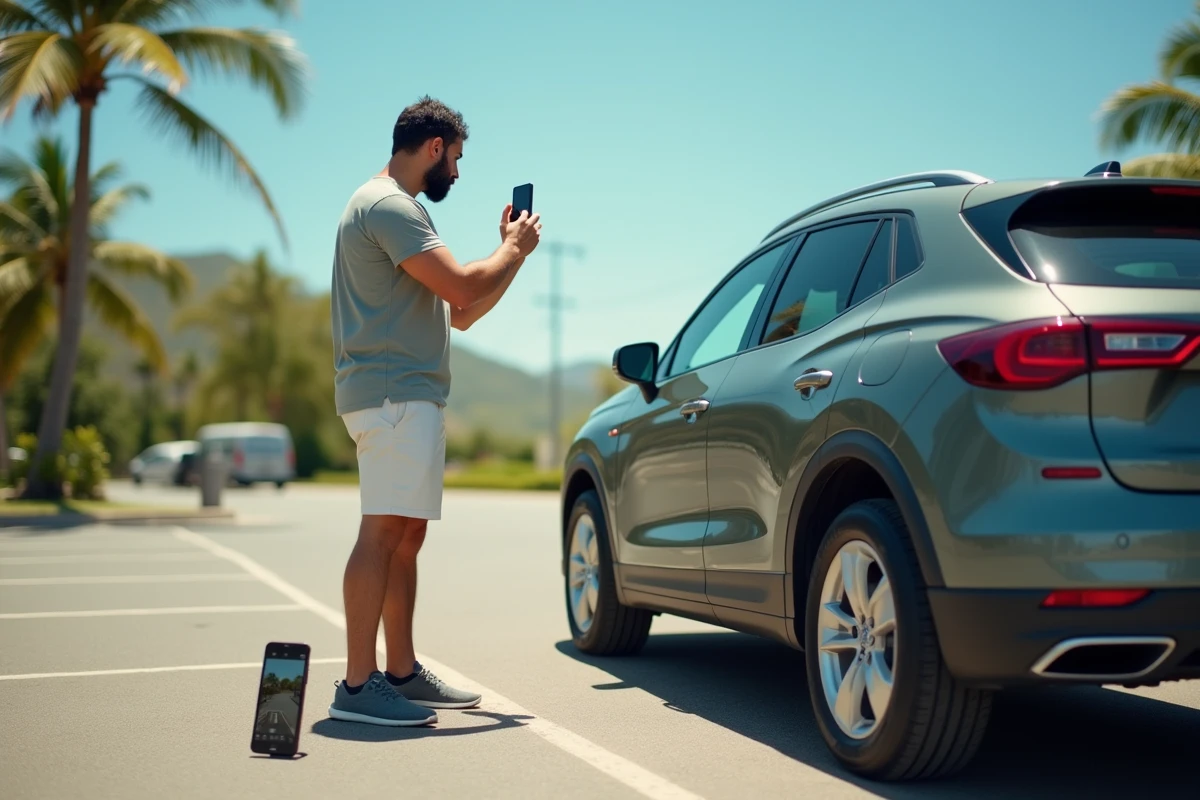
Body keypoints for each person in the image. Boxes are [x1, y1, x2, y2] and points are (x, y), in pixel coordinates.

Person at [327, 96, 542, 726]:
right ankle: (359, 686)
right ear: (434, 147)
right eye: (457, 158)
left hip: (406, 394)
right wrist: (514, 249)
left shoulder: (397, 209)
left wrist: (511, 255)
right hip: (393, 395)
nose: (458, 172)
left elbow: (464, 312)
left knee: (406, 536)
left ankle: (399, 671)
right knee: (383, 532)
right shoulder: (389, 206)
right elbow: (464, 287)